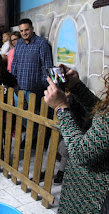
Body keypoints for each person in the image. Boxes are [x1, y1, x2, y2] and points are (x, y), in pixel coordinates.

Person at [44, 65, 109, 213]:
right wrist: (77, 87)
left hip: (97, 197)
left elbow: (81, 153)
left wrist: (61, 108)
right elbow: (103, 113)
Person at [11, 18, 53, 105]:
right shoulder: (19, 43)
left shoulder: (41, 44)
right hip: (19, 89)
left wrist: (41, 86)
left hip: (35, 91)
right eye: (21, 31)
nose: (24, 33)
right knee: (19, 116)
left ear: (32, 28)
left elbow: (47, 66)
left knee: (33, 116)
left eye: (26, 30)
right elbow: (15, 62)